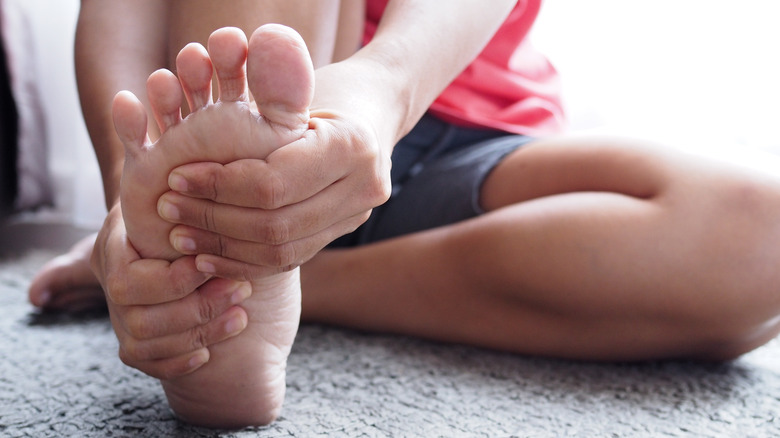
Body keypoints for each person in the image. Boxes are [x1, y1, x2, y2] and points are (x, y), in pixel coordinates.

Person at [28, 0, 780, 428]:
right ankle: (228, 211)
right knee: (249, 88)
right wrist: (124, 197)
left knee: (762, 240)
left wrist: (380, 92)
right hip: (273, 112)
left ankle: (242, 275)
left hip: (456, 130)